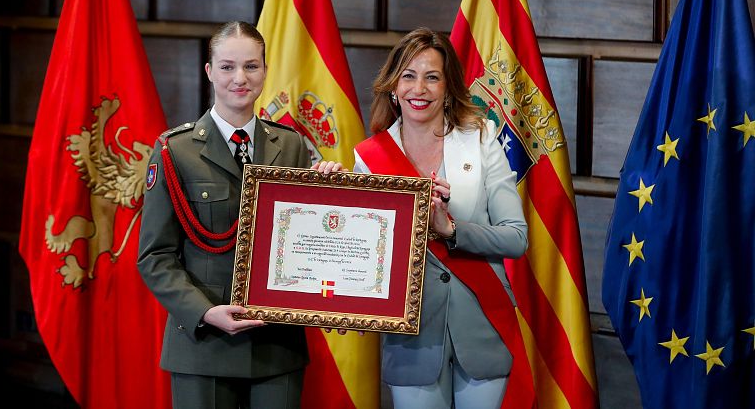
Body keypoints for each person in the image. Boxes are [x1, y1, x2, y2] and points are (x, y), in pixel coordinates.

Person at [137, 21, 341, 409]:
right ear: (209, 71)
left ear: (265, 70)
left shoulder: (292, 145)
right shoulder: (174, 151)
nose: (240, 78)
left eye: (251, 66)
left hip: (276, 343)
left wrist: (328, 194)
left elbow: (301, 243)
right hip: (205, 343)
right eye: (228, 67)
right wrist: (205, 312)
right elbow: (155, 256)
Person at [353, 28, 535, 409]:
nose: (419, 88)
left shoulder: (481, 139)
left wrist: (451, 230)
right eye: (409, 75)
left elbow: (516, 238)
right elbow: (365, 258)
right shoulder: (369, 158)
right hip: (412, 336)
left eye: (432, 77)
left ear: (448, 87)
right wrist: (330, 196)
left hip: (483, 322)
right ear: (392, 86)